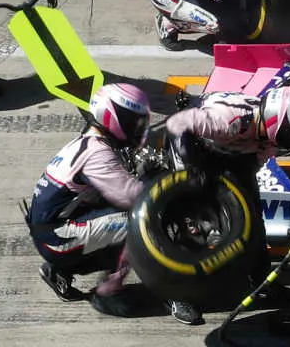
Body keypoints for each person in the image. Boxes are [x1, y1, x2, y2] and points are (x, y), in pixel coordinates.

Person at [25, 84, 185, 320]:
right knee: (143, 221)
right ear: (112, 117)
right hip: (57, 237)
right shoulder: (98, 153)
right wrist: (172, 186)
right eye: (133, 121)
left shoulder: (91, 141)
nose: (138, 127)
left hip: (53, 230)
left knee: (119, 221)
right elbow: (132, 196)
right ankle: (127, 291)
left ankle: (61, 268)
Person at [162, 86, 290, 313]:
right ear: (275, 122)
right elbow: (176, 125)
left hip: (229, 152)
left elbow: (252, 165)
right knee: (192, 220)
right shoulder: (228, 120)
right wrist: (194, 169)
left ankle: (260, 280)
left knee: (253, 216)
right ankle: (175, 291)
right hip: (190, 144)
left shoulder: (269, 138)